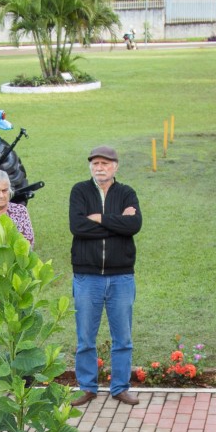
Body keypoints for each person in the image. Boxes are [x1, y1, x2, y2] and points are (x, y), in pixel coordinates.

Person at [68, 147, 143, 407]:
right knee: (85, 338)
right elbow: (77, 226)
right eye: (95, 163)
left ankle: (120, 387)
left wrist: (99, 219)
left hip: (121, 277)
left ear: (115, 167)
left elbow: (134, 226)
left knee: (123, 337)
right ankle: (88, 387)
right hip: (87, 277)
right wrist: (116, 224)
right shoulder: (80, 191)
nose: (100, 167)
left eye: (105, 163)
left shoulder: (126, 193)